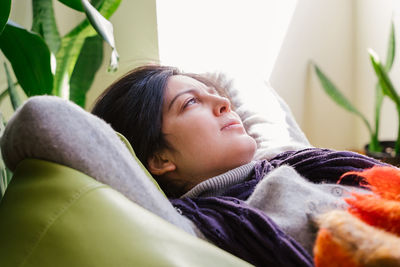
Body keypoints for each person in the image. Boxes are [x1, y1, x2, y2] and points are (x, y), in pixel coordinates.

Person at [92, 65, 385, 267]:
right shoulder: (196, 225)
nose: (222, 102)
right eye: (191, 102)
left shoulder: (296, 160)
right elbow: (49, 118)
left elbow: (234, 75)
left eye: (215, 93)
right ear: (160, 159)